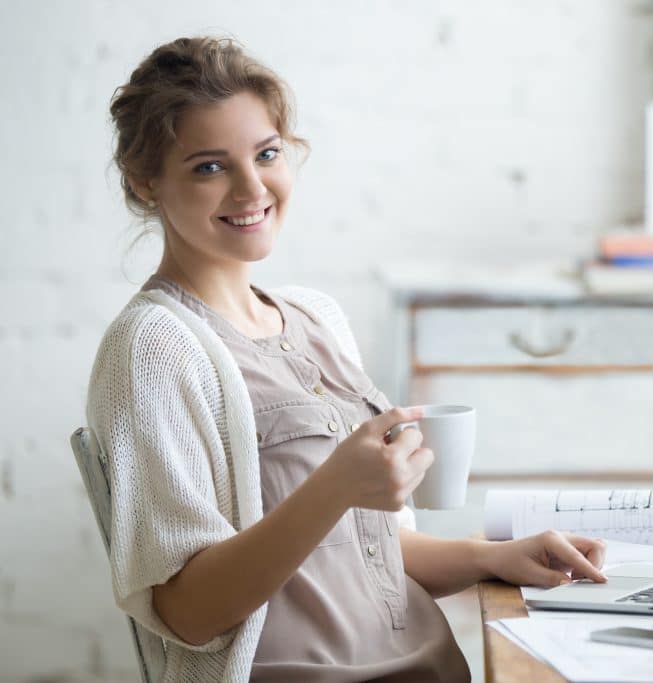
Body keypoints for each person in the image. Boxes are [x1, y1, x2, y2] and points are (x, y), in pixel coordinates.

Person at [88, 36, 607, 682]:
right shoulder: (154, 348)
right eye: (209, 167)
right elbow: (190, 612)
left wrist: (494, 556)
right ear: (146, 181)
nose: (252, 188)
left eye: (267, 154)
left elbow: (369, 552)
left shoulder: (316, 319)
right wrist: (335, 485)